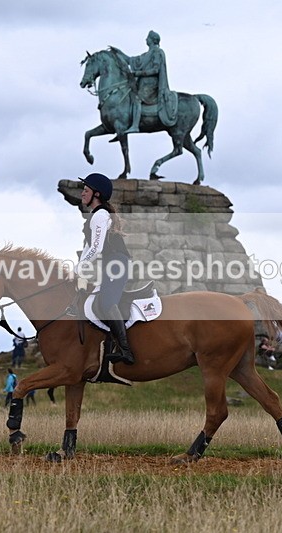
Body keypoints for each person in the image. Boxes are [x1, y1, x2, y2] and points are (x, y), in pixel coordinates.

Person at [74, 173, 135, 365]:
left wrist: (82, 267)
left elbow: (96, 248)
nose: (82, 194)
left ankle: (125, 350)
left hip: (117, 262)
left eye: (86, 190)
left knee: (107, 303)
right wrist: (77, 269)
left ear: (96, 194)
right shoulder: (94, 217)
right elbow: (87, 248)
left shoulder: (100, 215)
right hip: (111, 264)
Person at [110, 30, 176, 134]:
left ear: (153, 40)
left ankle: (135, 126)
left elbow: (156, 70)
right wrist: (119, 52)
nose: (146, 39)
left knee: (136, 99)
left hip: (151, 85)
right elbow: (130, 60)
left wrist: (138, 73)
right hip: (142, 83)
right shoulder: (146, 54)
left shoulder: (158, 52)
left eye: (148, 38)